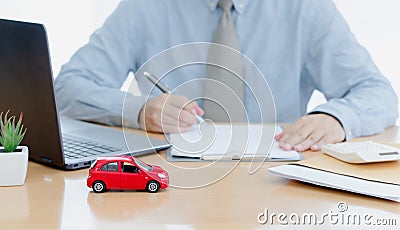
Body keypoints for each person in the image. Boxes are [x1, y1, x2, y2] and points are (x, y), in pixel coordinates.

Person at [55, 0, 398, 152]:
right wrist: (139, 111)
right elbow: (68, 86)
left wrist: (336, 117)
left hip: (276, 181)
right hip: (169, 183)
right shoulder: (145, 6)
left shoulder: (305, 7)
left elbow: (377, 92)